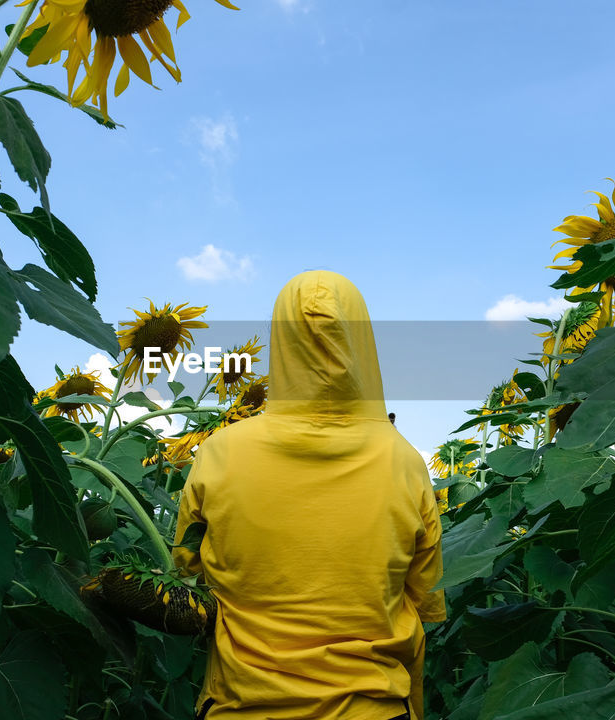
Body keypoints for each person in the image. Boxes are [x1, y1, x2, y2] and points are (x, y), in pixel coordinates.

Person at [173, 270, 446, 719]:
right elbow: (424, 596)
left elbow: (184, 573)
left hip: (242, 706)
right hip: (372, 707)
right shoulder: (406, 464)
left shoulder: (219, 454)